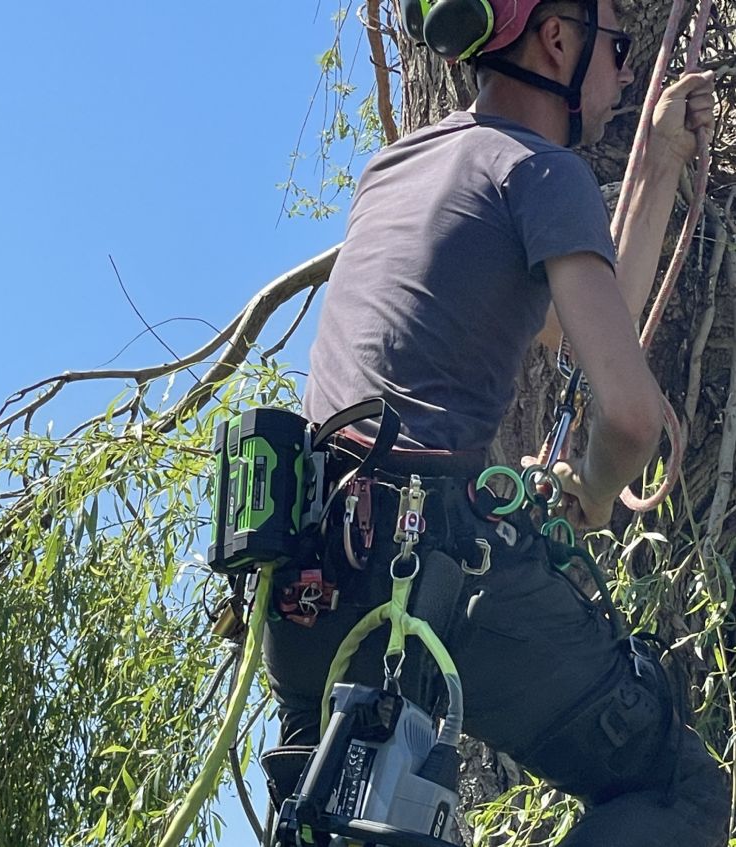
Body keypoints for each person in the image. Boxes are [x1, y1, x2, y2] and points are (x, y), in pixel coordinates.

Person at [262, 1, 729, 844]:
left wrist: (659, 161)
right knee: (679, 788)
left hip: (306, 591)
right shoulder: (541, 172)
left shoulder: (396, 168)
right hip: (425, 566)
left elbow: (597, 320)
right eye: (617, 48)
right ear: (558, 39)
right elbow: (628, 413)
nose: (625, 74)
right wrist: (592, 486)